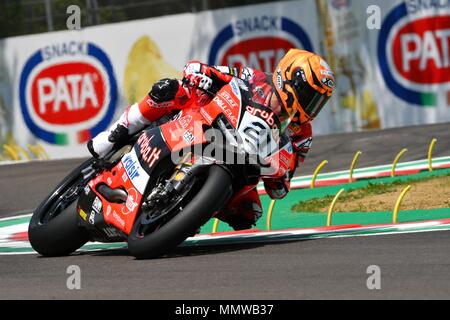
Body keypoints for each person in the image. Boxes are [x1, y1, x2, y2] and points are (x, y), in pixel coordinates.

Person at [88, 49, 335, 230]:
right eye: (309, 95)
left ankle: (187, 210)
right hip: (208, 122)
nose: (312, 106)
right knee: (168, 89)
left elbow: (284, 181)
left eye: (318, 101)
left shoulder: (302, 133)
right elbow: (211, 72)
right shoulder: (255, 77)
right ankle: (115, 134)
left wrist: (280, 180)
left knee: (249, 214)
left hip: (245, 161)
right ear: (289, 78)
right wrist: (202, 75)